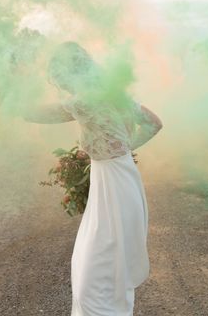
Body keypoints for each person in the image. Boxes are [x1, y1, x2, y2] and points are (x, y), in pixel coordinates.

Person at [26, 42, 163, 316]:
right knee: (105, 269)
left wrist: (9, 104)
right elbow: (154, 123)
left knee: (92, 278)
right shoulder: (114, 93)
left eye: (60, 78)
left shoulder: (85, 99)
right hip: (120, 177)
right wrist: (123, 148)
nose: (61, 85)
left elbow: (40, 114)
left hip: (114, 184)